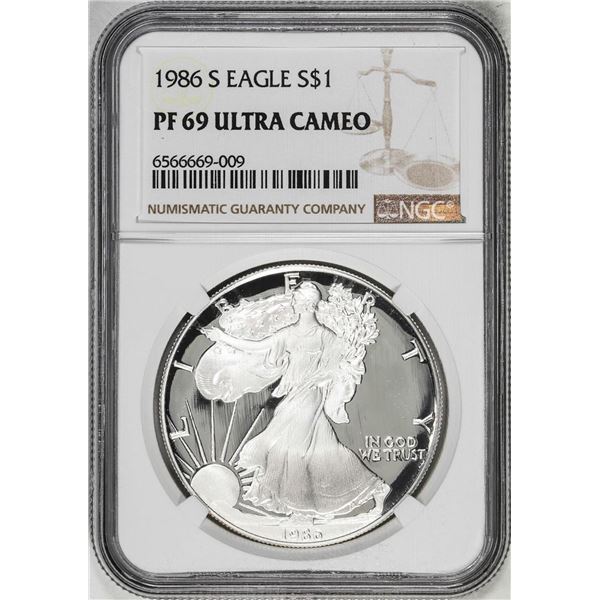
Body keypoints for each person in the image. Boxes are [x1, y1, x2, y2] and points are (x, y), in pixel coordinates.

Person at [202, 282, 390, 518]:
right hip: (295, 395)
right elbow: (257, 347)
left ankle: (303, 505)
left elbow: (337, 367)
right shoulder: (289, 334)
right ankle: (374, 489)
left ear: (307, 305)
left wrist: (319, 379)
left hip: (310, 397)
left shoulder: (326, 337)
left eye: (297, 301)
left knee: (292, 449)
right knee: (321, 449)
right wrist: (223, 337)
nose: (294, 303)